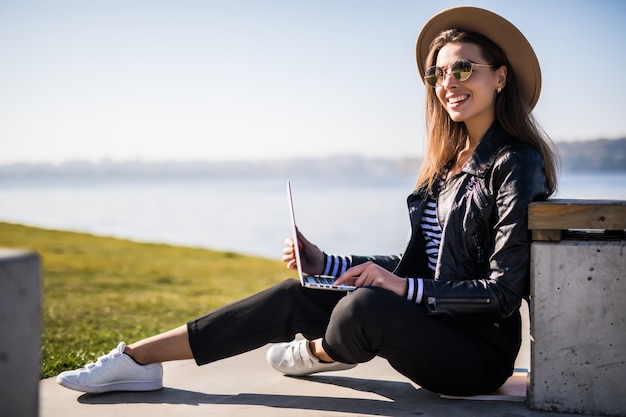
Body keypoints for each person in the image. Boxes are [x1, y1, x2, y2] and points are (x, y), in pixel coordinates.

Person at [57, 6, 558, 397]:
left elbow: (501, 293)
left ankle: (325, 349)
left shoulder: (516, 162)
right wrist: (328, 262)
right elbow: (419, 266)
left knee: (363, 309)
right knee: (293, 293)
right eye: (439, 74)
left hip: (475, 351)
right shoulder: (447, 163)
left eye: (464, 69)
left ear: (500, 76)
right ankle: (135, 361)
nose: (449, 83)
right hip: (428, 318)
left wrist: (398, 288)